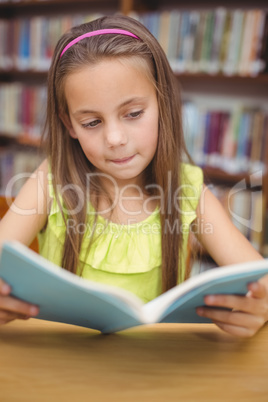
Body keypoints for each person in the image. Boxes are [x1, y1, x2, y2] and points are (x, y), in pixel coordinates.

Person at [0, 15, 267, 337]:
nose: (115, 138)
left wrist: (259, 310)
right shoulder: (50, 181)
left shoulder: (187, 189)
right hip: (60, 368)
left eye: (133, 114)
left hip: (154, 372)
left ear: (163, 104)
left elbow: (260, 282)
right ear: (69, 125)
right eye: (91, 123)